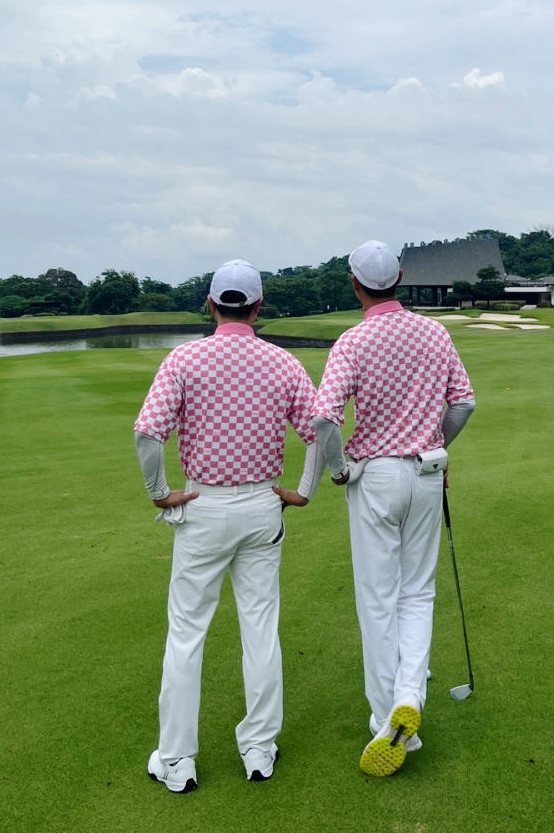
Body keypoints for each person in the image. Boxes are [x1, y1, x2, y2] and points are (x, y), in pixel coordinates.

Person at [134, 259, 325, 794]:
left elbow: (149, 434)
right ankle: (259, 747)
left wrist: (159, 492)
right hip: (262, 507)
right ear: (259, 307)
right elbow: (319, 429)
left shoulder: (184, 359)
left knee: (187, 634)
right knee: (259, 627)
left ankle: (176, 759)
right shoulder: (282, 363)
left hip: (202, 505)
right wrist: (304, 489)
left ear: (211, 304)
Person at [312, 240, 475, 777]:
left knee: (378, 598)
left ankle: (389, 720)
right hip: (427, 472)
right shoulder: (435, 331)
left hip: (376, 475)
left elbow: (324, 418)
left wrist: (337, 470)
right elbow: (463, 402)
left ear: (355, 283)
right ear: (401, 277)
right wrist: (438, 444)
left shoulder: (354, 340)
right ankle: (411, 696)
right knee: (417, 592)